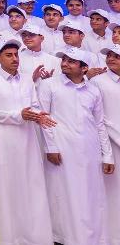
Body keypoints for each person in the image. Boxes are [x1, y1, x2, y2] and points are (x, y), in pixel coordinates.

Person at [0, 38, 55, 244]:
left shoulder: (27, 80)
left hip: (29, 141)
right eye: (9, 55)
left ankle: (37, 238)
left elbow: (34, 105)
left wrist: (38, 115)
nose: (15, 59)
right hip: (4, 142)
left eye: (16, 55)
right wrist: (17, 115)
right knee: (8, 189)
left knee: (33, 187)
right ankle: (12, 238)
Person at [39, 47, 114, 245]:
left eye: (71, 61)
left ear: (84, 68)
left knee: (90, 195)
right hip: (62, 150)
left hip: (90, 150)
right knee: (65, 195)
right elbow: (43, 119)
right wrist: (51, 148)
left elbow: (99, 124)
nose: (64, 63)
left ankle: (93, 239)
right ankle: (65, 238)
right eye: (64, 59)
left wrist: (107, 155)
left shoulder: (93, 90)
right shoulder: (49, 85)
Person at [94, 44, 120, 244]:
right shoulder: (98, 82)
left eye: (116, 56)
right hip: (109, 145)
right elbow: (99, 118)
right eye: (109, 55)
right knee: (112, 194)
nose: (110, 58)